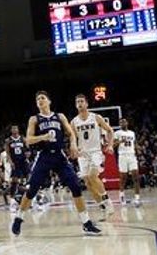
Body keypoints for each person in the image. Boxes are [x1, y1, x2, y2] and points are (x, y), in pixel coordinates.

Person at [11, 91, 101, 236]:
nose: (40, 100)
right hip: (44, 157)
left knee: (76, 186)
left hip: (59, 156)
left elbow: (71, 133)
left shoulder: (59, 116)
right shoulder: (34, 119)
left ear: (49, 101)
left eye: (42, 98)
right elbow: (28, 140)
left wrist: (72, 144)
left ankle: (86, 223)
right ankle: (18, 218)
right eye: (37, 99)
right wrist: (44, 136)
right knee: (32, 189)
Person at [71, 93, 116, 220]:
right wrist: (74, 146)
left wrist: (110, 145)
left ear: (86, 104)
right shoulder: (74, 122)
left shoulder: (96, 117)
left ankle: (108, 202)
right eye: (77, 102)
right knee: (88, 183)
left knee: (92, 176)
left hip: (96, 152)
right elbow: (72, 137)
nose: (79, 104)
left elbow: (110, 130)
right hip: (82, 154)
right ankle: (103, 208)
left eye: (81, 101)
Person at [113, 117, 141, 207]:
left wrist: (138, 149)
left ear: (127, 123)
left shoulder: (132, 133)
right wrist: (120, 141)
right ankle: (121, 196)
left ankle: (137, 198)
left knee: (136, 177)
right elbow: (113, 145)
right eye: (120, 122)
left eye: (124, 122)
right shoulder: (117, 133)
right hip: (122, 156)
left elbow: (134, 143)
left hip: (132, 155)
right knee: (123, 178)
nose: (122, 123)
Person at [4, 124, 30, 210]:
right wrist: (10, 162)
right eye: (13, 128)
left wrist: (27, 155)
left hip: (23, 162)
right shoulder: (8, 140)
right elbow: (7, 153)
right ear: (11, 130)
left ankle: (27, 198)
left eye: (16, 128)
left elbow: (27, 149)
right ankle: (12, 199)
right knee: (14, 180)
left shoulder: (23, 139)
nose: (15, 130)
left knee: (27, 179)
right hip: (15, 163)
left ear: (18, 130)